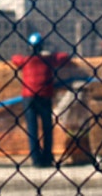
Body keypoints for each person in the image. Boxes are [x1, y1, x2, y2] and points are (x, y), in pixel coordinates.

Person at [11, 32, 71, 168]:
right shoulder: (49, 59)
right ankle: (47, 158)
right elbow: (64, 57)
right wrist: (51, 53)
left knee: (32, 129)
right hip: (45, 95)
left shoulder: (26, 60)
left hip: (29, 97)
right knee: (47, 128)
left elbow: (15, 59)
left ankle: (36, 160)